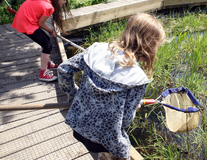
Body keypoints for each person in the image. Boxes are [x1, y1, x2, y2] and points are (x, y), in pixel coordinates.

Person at [58, 13, 166, 160]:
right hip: (105, 141)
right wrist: (134, 109)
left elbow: (63, 69)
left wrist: (73, 95)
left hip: (78, 127)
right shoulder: (138, 79)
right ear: (149, 45)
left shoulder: (96, 49)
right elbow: (126, 121)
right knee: (122, 152)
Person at [12, 0, 71, 82]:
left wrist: (50, 31)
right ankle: (43, 73)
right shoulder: (49, 7)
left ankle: (47, 63)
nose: (65, 2)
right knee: (47, 46)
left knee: (46, 40)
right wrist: (51, 31)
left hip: (24, 19)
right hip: (26, 23)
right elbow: (41, 23)